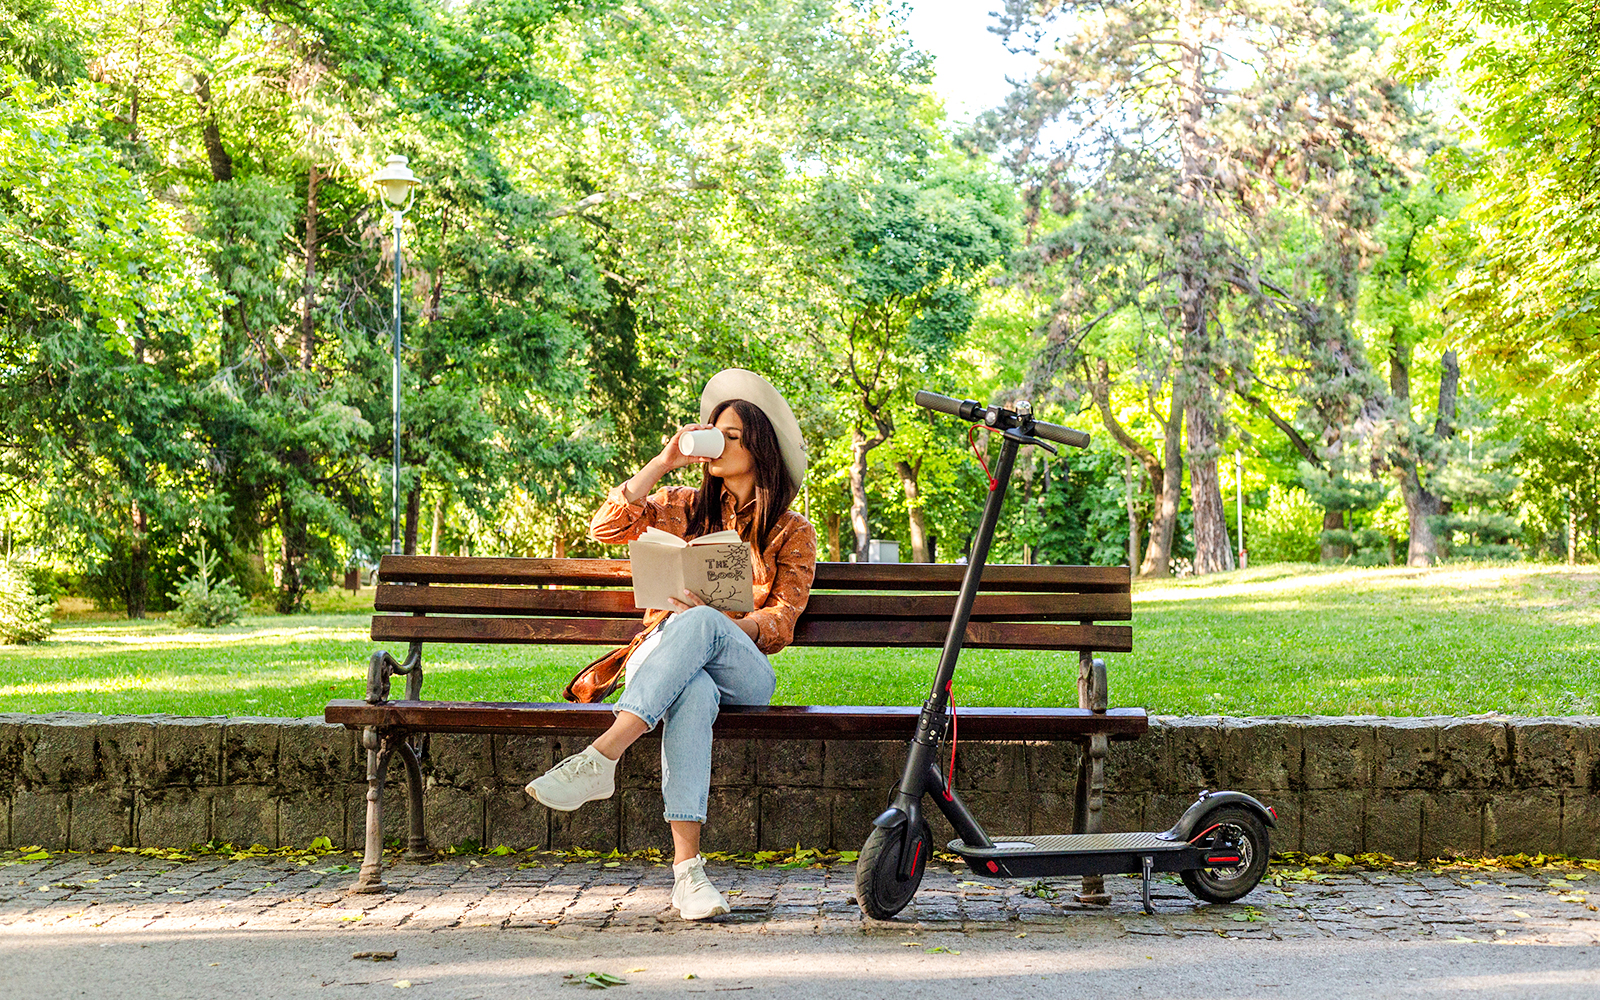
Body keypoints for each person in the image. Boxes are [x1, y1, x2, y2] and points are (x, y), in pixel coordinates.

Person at [524, 369, 818, 920]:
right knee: (693, 692)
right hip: (665, 661)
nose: (717, 443)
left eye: (731, 436)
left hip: (743, 669)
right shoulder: (683, 502)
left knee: (705, 628)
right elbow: (606, 526)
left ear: (761, 447)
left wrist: (726, 623)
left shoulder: (790, 529)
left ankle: (601, 757)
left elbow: (782, 618)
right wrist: (664, 462)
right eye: (714, 432)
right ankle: (689, 876)